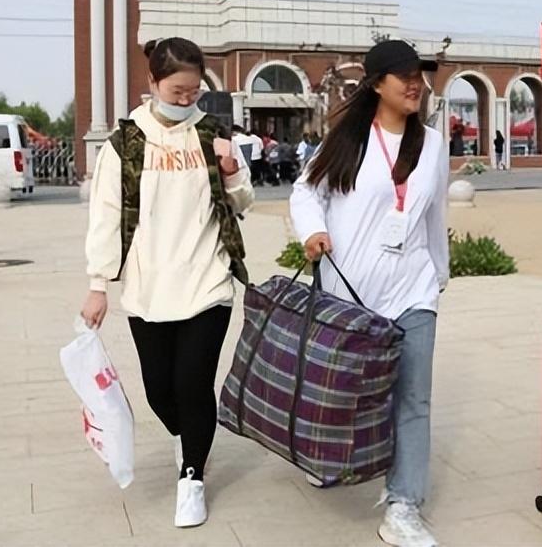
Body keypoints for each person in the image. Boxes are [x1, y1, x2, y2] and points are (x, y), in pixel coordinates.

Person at [80, 37, 253, 530]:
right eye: (177, 91)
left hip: (207, 281)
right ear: (153, 83)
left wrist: (231, 171)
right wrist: (98, 283)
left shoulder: (213, 133)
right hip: (147, 287)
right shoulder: (126, 143)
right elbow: (106, 215)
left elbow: (243, 202)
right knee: (159, 390)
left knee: (192, 383)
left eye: (194, 92)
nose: (186, 100)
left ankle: (192, 477)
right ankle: (188, 435)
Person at [290, 39, 450, 547]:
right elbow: (306, 191)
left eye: (420, 77)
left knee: (414, 398)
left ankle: (403, 505)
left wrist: (438, 275)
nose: (415, 85)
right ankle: (328, 458)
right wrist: (313, 231)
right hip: (351, 295)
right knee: (344, 394)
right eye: (405, 76)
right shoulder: (349, 139)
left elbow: (435, 214)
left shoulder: (433, 144)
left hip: (413, 291)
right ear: (377, 84)